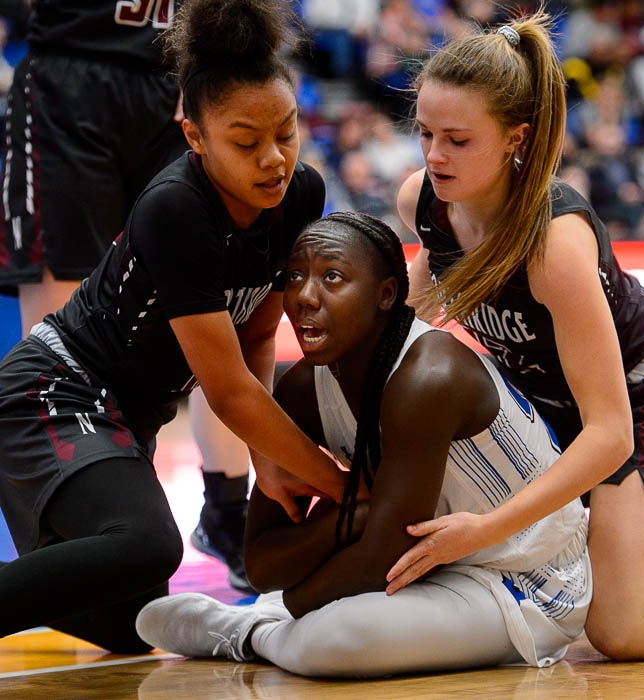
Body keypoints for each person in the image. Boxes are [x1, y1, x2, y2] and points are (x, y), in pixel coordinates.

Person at [0, 0, 347, 654]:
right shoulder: (174, 207)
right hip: (51, 391)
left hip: (127, 415)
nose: (273, 159)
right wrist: (344, 487)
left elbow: (254, 341)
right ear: (194, 137)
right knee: (150, 544)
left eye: (287, 132)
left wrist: (273, 463)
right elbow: (228, 390)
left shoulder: (299, 193)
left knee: (131, 622)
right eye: (246, 142)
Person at [135, 212, 592, 678]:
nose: (305, 297)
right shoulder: (301, 388)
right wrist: (358, 515)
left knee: (339, 639)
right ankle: (270, 627)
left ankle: (250, 631)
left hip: (524, 579)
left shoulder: (430, 376)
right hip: (423, 566)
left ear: (386, 295)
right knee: (334, 625)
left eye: (332, 277)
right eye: (295, 276)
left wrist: (283, 605)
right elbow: (261, 564)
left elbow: (381, 560)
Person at [390, 12, 644, 661]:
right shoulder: (423, 199)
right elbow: (411, 326)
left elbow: (609, 431)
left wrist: (487, 528)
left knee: (624, 629)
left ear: (515, 139)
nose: (433, 155)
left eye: (456, 139)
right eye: (424, 133)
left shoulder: (554, 245)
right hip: (554, 403)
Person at [0, 0, 259, 593]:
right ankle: (71, 514)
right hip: (69, 77)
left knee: (216, 305)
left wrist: (211, 66)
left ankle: (227, 511)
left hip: (179, 74)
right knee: (63, 325)